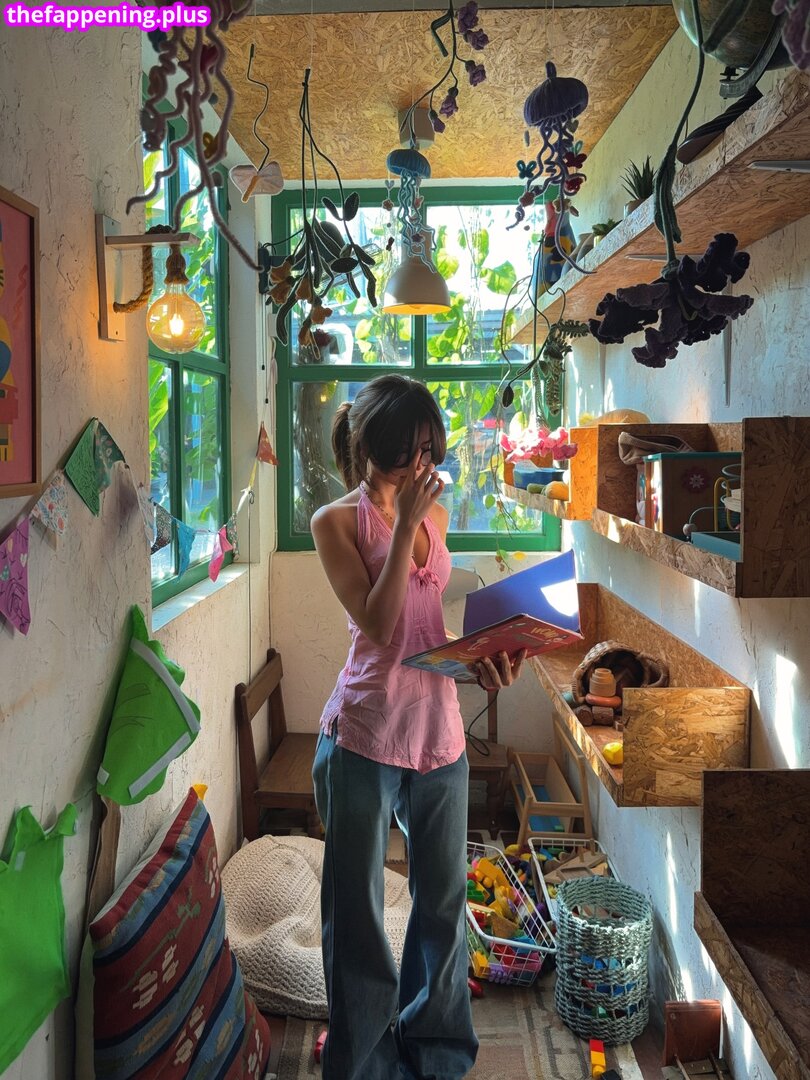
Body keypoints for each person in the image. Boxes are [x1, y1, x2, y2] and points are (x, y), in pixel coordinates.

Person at [310, 373, 527, 1080]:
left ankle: (436, 1051)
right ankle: (365, 1065)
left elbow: (426, 632)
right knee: (358, 912)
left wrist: (484, 664)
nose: (422, 466)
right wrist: (403, 523)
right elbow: (377, 626)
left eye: (431, 450)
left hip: (439, 731)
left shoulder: (435, 515)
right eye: (408, 452)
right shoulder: (336, 522)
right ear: (371, 447)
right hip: (364, 735)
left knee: (443, 901)